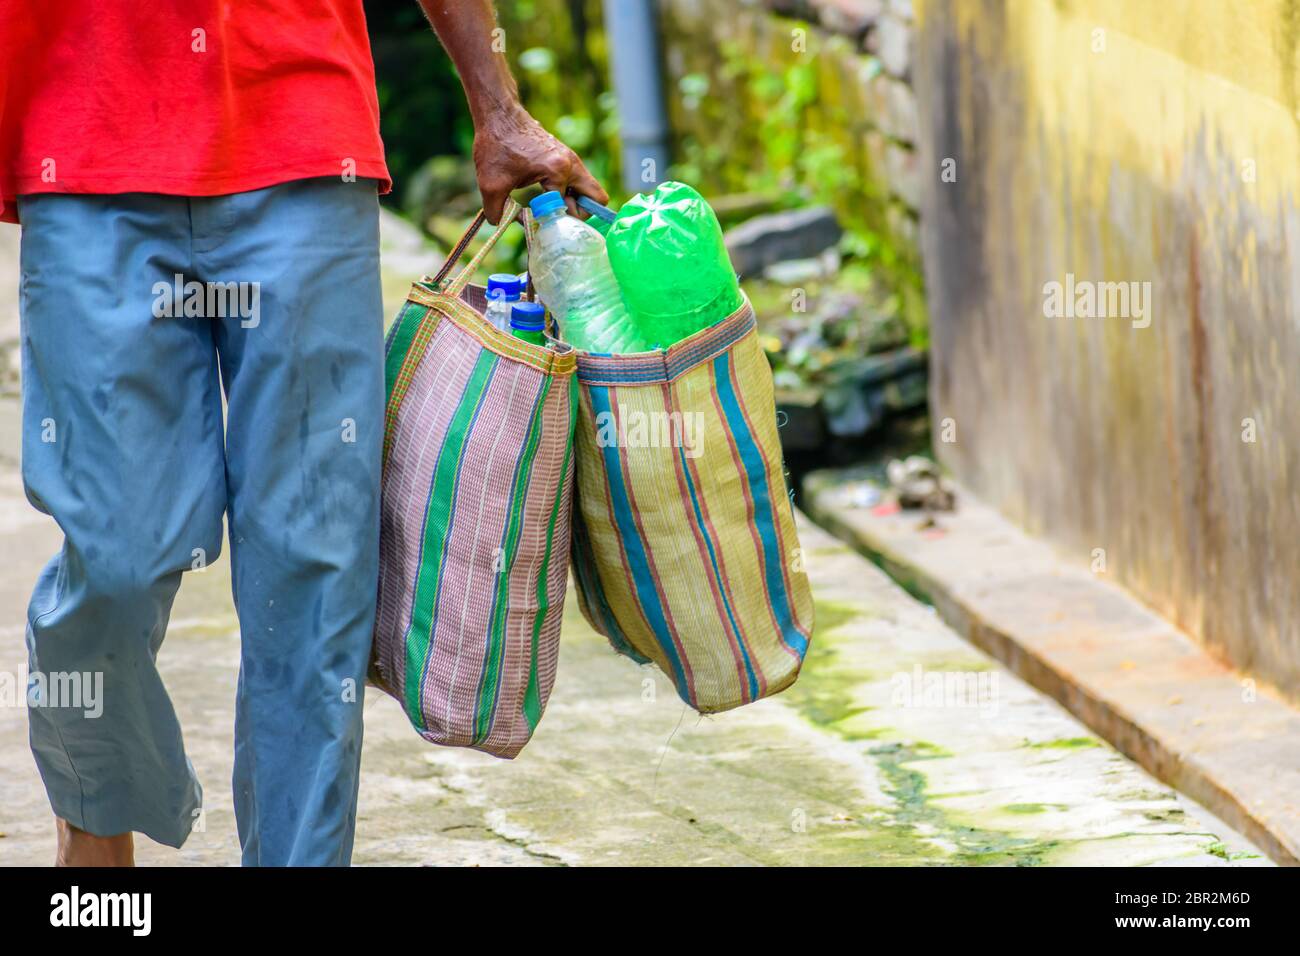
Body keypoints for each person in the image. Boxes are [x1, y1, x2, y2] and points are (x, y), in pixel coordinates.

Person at [0, 0, 607, 866]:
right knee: (117, 551)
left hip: (302, 138)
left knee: (314, 570)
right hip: (86, 140)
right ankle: (96, 817)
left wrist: (498, 107)